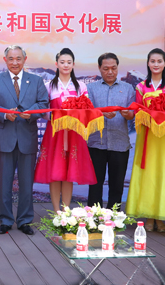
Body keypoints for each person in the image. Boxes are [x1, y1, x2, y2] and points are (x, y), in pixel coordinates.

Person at [0, 45, 49, 235]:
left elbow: (43, 104)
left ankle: (24, 220)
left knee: (26, 183)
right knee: (5, 182)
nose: (15, 62)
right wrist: (5, 115)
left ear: (25, 59)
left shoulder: (36, 81)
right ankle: (5, 220)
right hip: (4, 136)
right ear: (5, 60)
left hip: (27, 137)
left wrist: (28, 114)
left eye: (18, 58)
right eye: (11, 58)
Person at [126, 48, 165, 233]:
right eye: (152, 61)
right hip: (148, 137)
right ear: (148, 63)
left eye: (159, 61)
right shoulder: (141, 87)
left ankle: (161, 216)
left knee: (164, 173)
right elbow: (137, 111)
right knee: (148, 174)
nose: (155, 64)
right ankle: (149, 216)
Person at [34, 48, 96, 212]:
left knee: (69, 173)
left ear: (73, 64)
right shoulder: (49, 86)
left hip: (74, 133)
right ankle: (56, 211)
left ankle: (66, 211)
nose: (66, 65)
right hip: (55, 132)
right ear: (56, 64)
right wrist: (54, 117)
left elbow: (86, 109)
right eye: (62, 62)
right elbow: (43, 110)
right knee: (55, 173)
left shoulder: (81, 86)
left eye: (69, 62)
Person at [86, 53, 135, 210]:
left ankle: (114, 218)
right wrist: (100, 113)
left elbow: (133, 114)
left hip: (120, 143)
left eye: (114, 68)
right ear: (99, 68)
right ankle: (94, 217)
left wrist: (129, 115)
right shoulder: (91, 88)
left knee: (117, 184)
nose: (110, 72)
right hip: (96, 143)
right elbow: (86, 113)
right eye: (106, 68)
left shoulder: (128, 89)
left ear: (117, 68)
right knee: (95, 183)